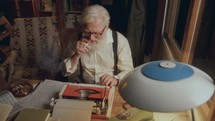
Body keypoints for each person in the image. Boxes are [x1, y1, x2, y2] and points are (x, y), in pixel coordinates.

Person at [61, 4, 134, 87]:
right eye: (87, 32)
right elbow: (64, 72)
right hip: (82, 86)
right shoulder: (75, 39)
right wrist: (76, 56)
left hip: (110, 87)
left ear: (107, 26)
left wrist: (116, 79)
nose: (91, 38)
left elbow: (128, 71)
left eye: (96, 33)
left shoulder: (120, 41)